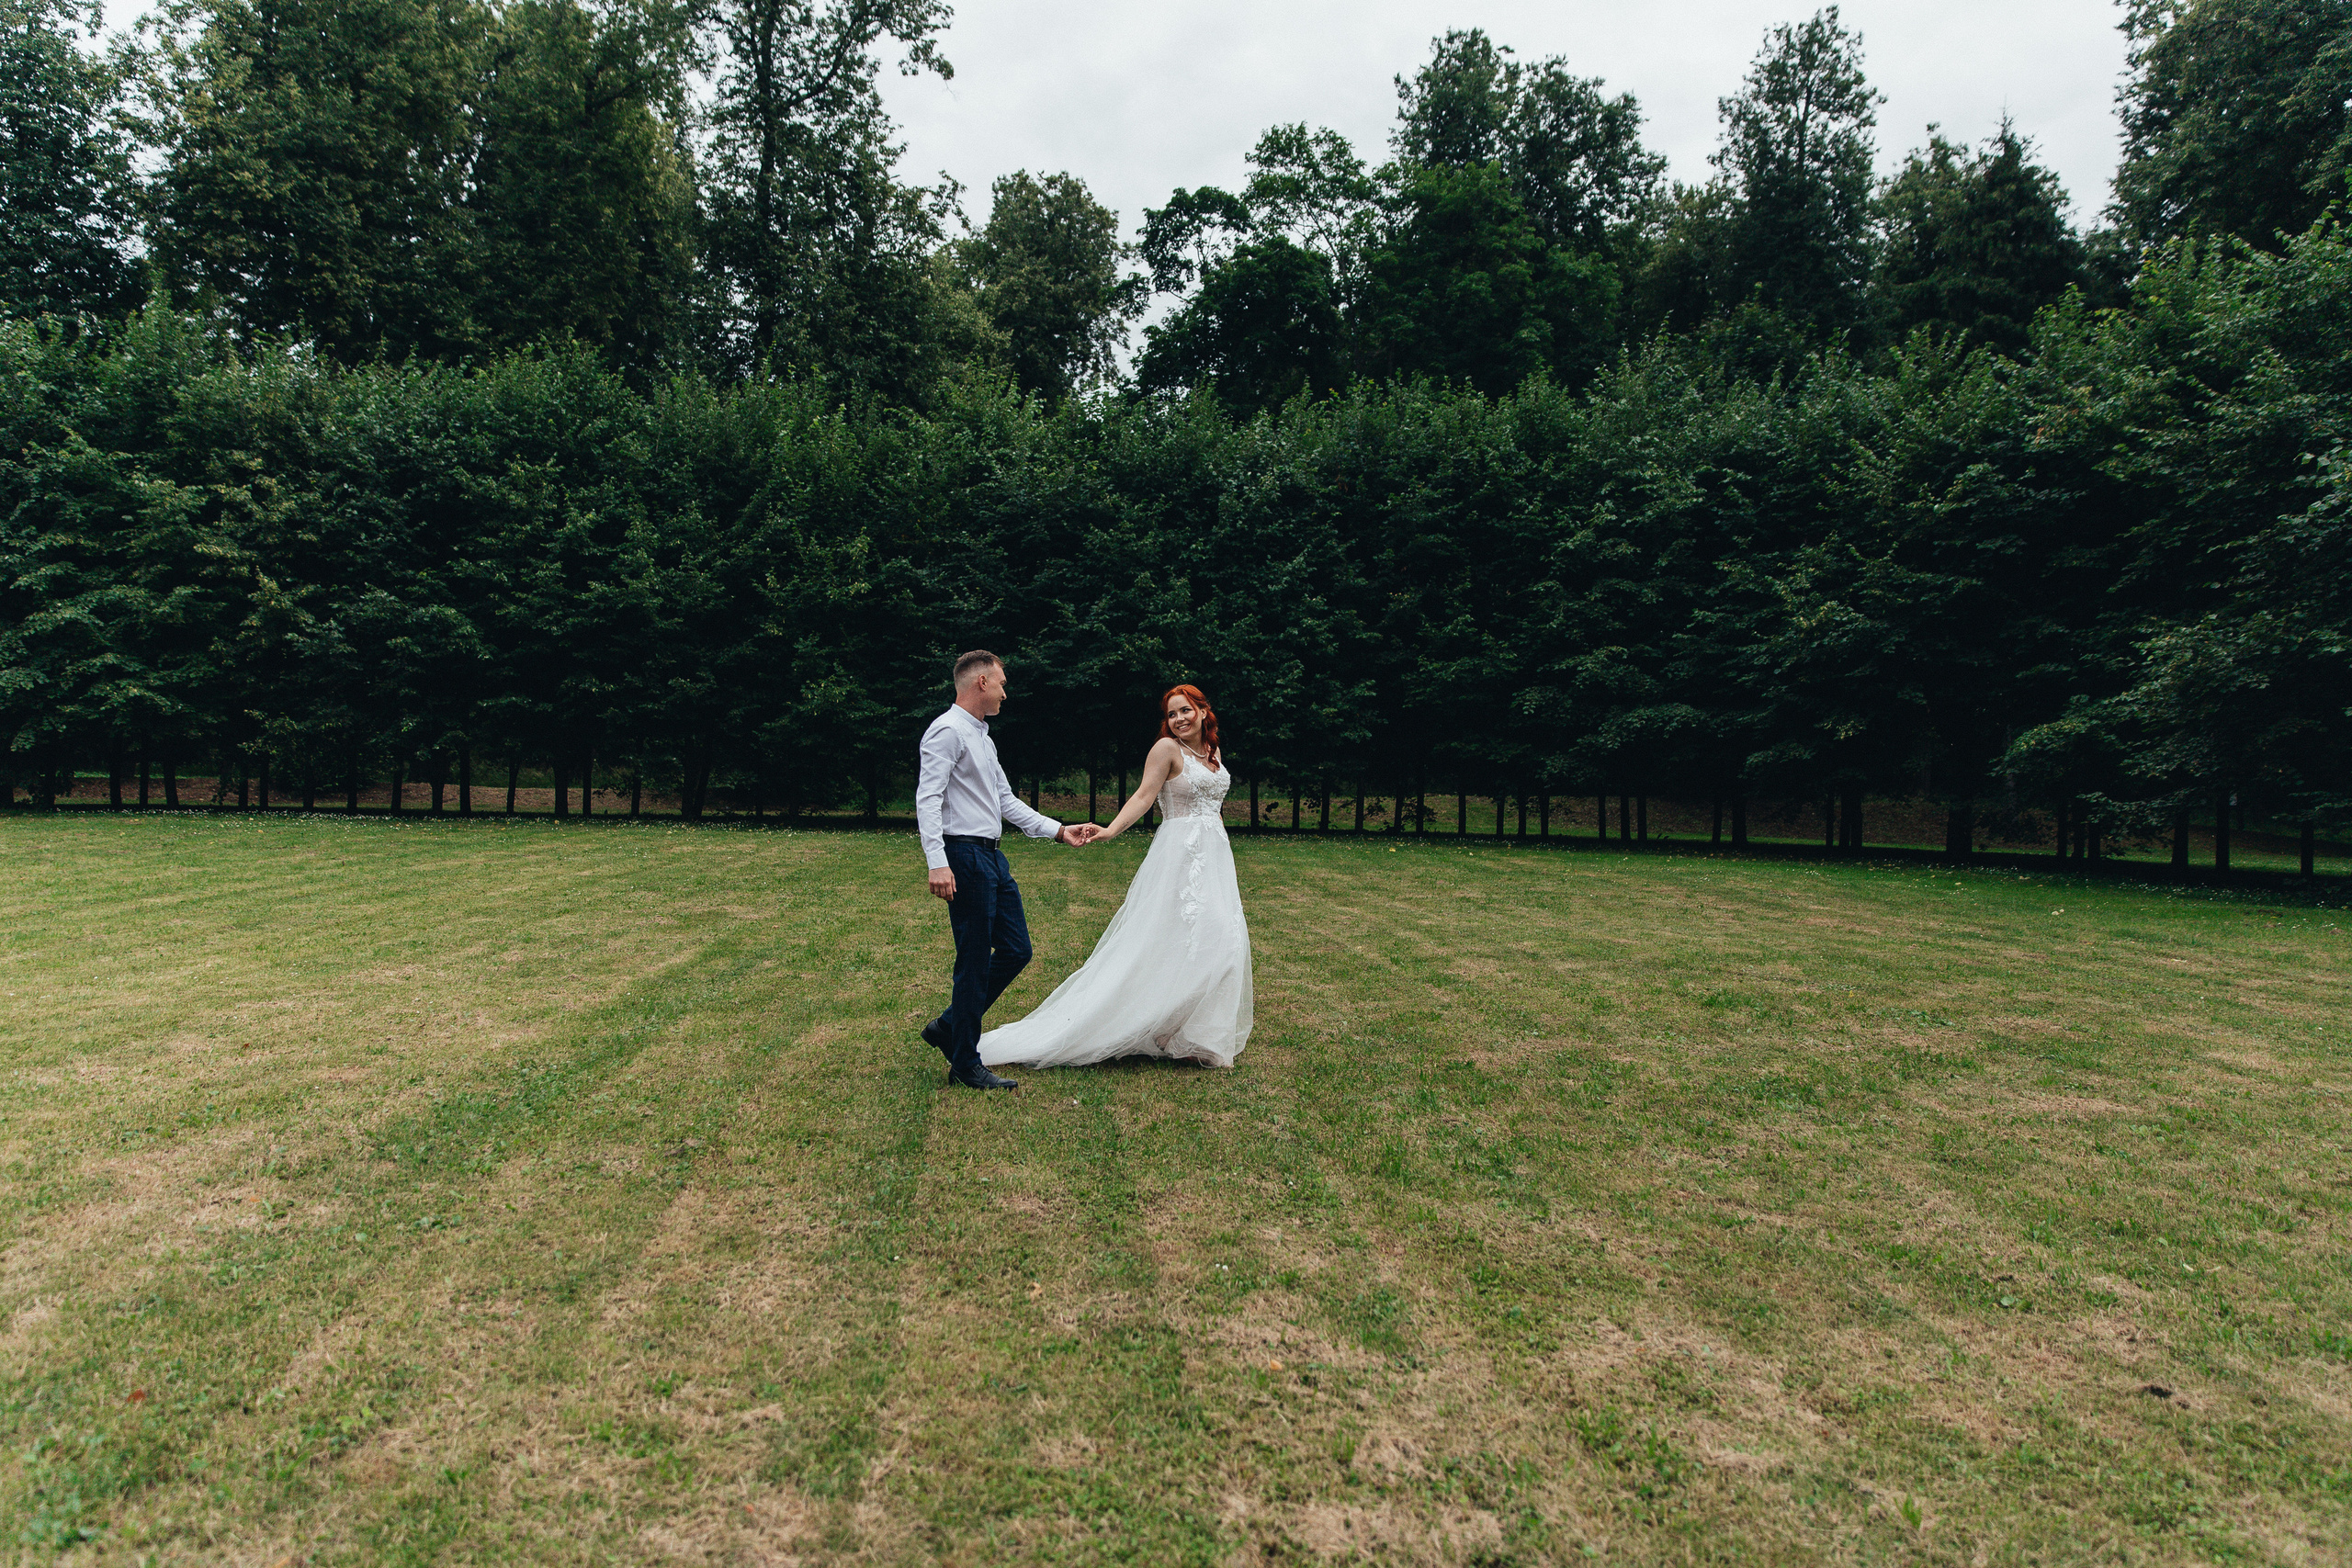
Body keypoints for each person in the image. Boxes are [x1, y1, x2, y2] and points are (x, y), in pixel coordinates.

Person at [979, 683, 1254, 1071]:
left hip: (1213, 854)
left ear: (1204, 712)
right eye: (1172, 714)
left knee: (1222, 940)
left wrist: (1219, 851)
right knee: (1175, 939)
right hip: (1179, 853)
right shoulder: (1166, 750)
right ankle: (1163, 1029)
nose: (1178, 720)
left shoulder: (1212, 752)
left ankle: (1179, 1030)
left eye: (1185, 711)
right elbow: (1144, 796)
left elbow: (1213, 805)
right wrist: (1110, 830)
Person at [915, 650, 1100, 1090]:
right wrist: (937, 862)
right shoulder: (946, 731)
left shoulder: (982, 736)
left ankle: (948, 1027)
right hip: (962, 856)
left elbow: (1005, 801)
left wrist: (1058, 831)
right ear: (980, 683)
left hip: (992, 857)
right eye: (1000, 683)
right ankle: (965, 1061)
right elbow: (927, 800)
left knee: (1017, 950)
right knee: (975, 961)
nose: (1004, 691)